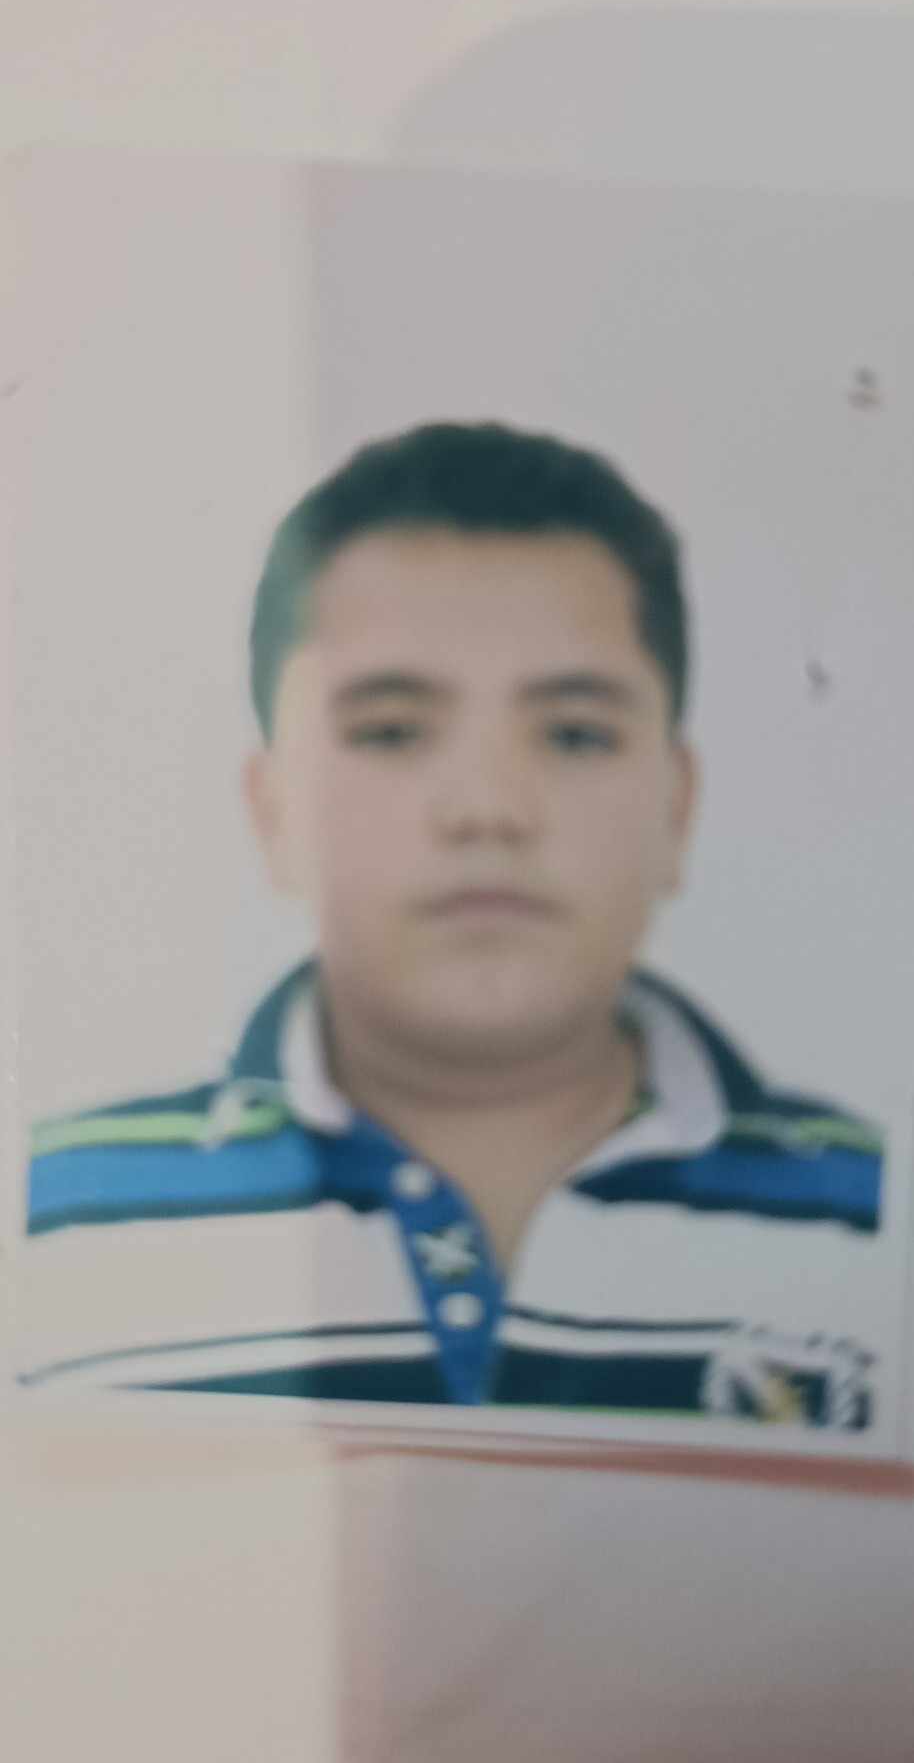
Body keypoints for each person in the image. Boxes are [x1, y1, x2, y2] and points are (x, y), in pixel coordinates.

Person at [20, 421, 884, 1428]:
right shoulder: (51, 1223)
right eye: (392, 732)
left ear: (676, 809)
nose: (487, 809)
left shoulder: (869, 1212)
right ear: (273, 812)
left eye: (574, 734)